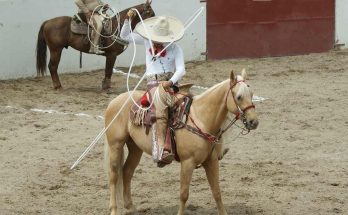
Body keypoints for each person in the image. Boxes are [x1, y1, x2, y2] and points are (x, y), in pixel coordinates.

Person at [120, 10, 186, 167]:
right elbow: (125, 36)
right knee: (160, 106)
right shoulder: (146, 41)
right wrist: (127, 20)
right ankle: (162, 148)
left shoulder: (175, 48)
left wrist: (170, 82)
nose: (158, 41)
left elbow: (181, 69)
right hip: (153, 85)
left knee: (190, 102)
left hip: (170, 84)